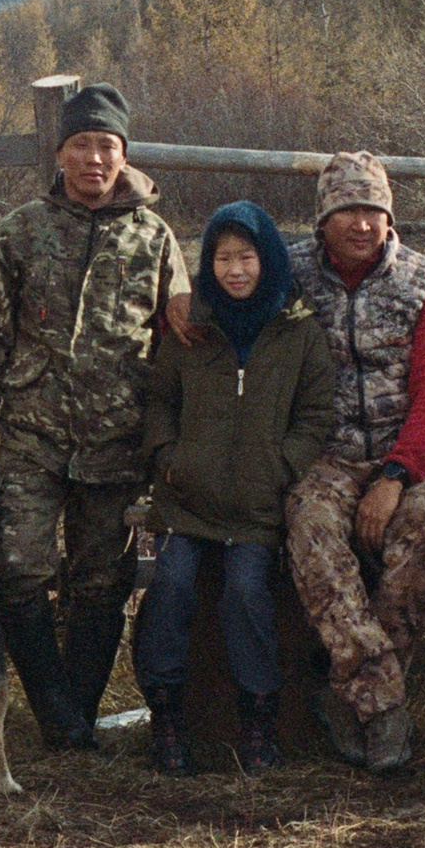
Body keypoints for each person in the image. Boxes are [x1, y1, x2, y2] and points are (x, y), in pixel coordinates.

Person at [0, 84, 191, 750]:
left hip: (119, 437)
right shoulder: (21, 229)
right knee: (17, 569)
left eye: (106, 146)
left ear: (124, 154)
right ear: (60, 153)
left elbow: (177, 341)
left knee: (102, 580)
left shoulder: (153, 235)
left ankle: (75, 719)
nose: (94, 159)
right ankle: (57, 708)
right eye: (81, 145)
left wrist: (168, 434)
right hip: (31, 431)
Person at [134, 201, 335, 776]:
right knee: (171, 586)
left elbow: (316, 413)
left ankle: (259, 720)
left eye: (246, 256)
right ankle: (167, 719)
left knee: (247, 591)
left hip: (256, 506)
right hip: (187, 500)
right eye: (222, 258)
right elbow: (159, 402)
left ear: (267, 259)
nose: (235, 270)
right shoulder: (192, 328)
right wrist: (168, 460)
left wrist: (283, 466)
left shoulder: (296, 332)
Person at [282, 152, 425, 774]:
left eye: (374, 211)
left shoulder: (423, 280)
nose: (362, 224)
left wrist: (396, 475)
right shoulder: (291, 272)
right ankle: (384, 708)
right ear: (324, 219)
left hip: (401, 450)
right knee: (312, 529)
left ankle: (346, 696)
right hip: (322, 452)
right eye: (348, 211)